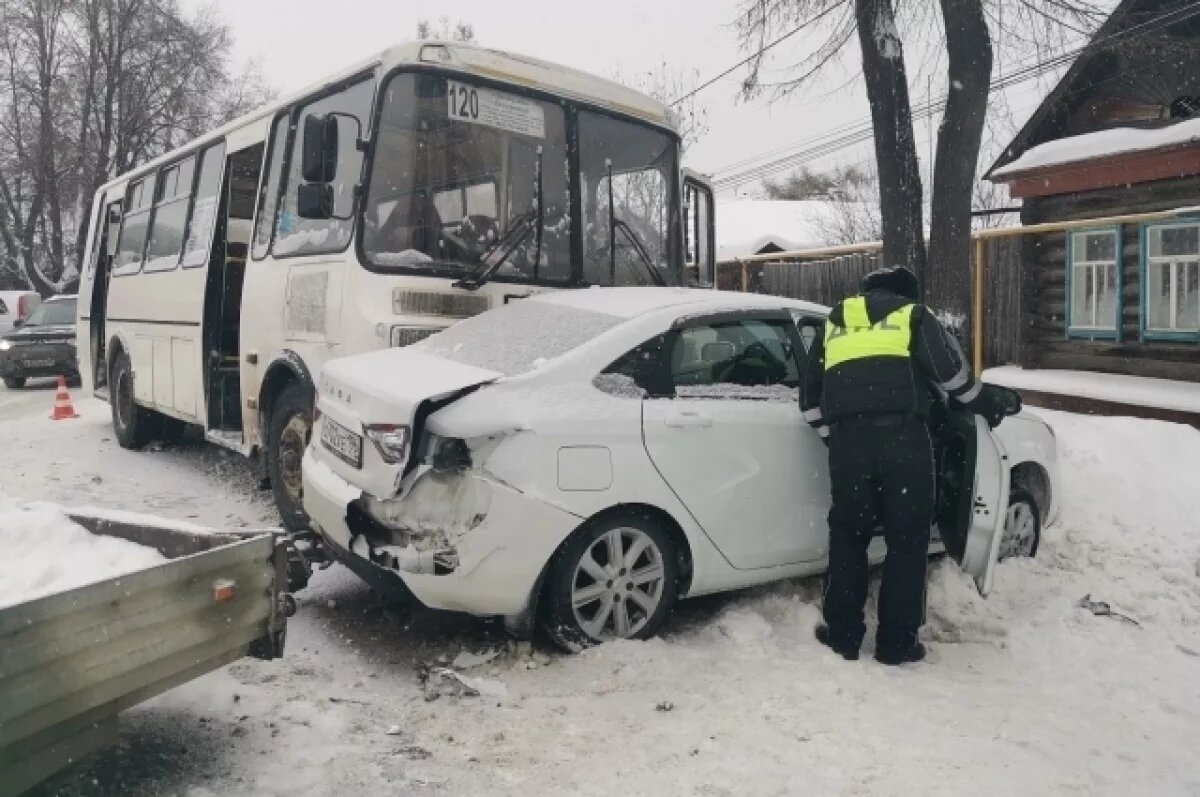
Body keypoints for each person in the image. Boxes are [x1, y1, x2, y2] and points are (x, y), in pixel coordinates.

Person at [799, 266, 1005, 665]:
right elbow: (952, 378)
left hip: (848, 445)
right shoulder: (913, 315)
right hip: (903, 441)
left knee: (848, 534)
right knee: (907, 538)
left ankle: (842, 635)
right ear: (907, 294)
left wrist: (835, 438)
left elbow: (809, 399)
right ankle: (897, 642)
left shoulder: (836, 320)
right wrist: (986, 401)